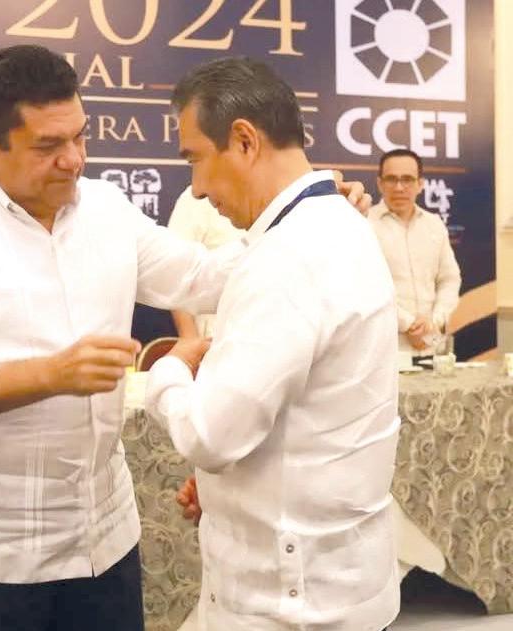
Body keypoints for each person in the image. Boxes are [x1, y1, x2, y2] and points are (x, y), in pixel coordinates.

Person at [0, 44, 371, 631]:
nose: (73, 160)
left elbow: (203, 276)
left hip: (104, 535)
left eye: (80, 136)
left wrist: (301, 222)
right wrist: (51, 374)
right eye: (48, 146)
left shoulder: (106, 208)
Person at [146, 57, 400, 630]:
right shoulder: (337, 225)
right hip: (336, 579)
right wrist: (230, 491)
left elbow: (210, 435)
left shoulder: (286, 258)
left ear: (244, 140)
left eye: (194, 159)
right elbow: (310, 417)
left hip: (291, 605)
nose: (198, 188)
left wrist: (169, 372)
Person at [369, 148, 461, 358]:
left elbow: (449, 279)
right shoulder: (364, 225)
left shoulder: (434, 224)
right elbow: (364, 287)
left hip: (433, 347)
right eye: (391, 179)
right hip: (386, 353)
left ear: (420, 184)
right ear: (380, 183)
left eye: (407, 179)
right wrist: (408, 324)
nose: (399, 187)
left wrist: (435, 321)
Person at [166, 186, 245, 338]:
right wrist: (189, 338)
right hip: (216, 337)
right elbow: (176, 271)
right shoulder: (199, 197)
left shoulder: (287, 199)